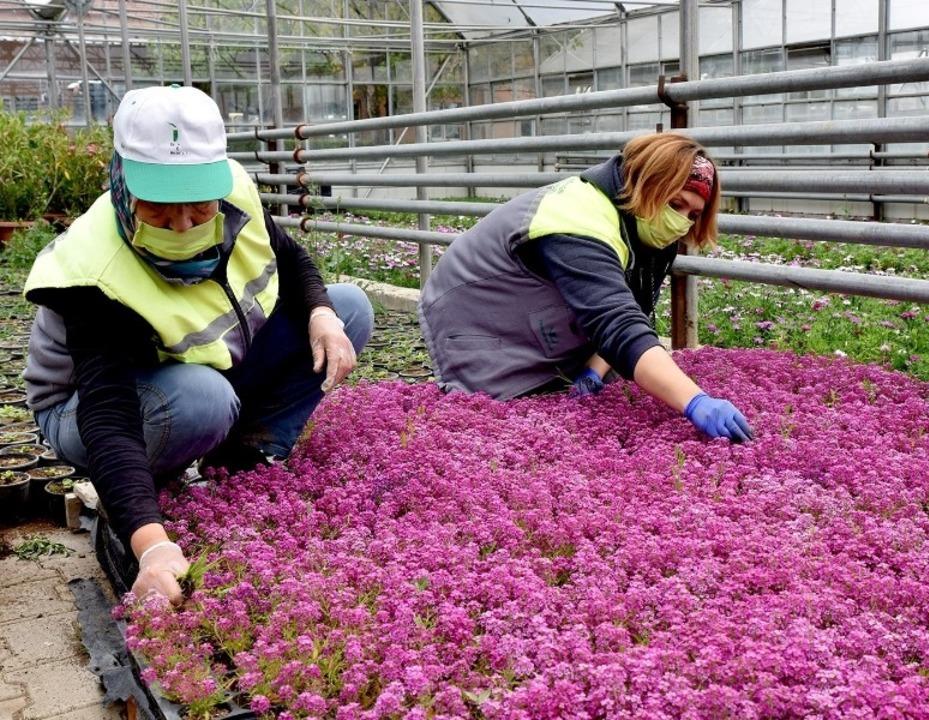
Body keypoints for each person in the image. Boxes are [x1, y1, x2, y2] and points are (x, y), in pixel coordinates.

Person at [22, 86, 374, 604]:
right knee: (202, 399)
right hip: (83, 409)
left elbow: (291, 257)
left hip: (201, 366)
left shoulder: (235, 191)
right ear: (122, 180)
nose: (184, 224)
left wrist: (321, 314)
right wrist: (151, 545)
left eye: (198, 204)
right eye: (160, 208)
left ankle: (244, 453)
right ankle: (145, 493)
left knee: (347, 308)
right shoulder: (91, 270)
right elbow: (108, 413)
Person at [419, 132, 753, 442]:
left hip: (541, 322)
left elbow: (632, 308)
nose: (681, 222)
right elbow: (616, 323)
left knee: (594, 396)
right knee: (503, 423)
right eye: (675, 205)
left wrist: (594, 369)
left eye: (693, 215)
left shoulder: (649, 227)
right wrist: (695, 401)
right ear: (645, 183)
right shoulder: (579, 218)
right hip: (477, 322)